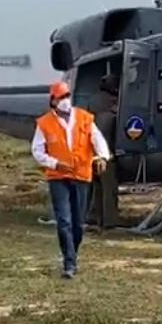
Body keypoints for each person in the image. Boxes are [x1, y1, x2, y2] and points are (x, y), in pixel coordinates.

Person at [31, 81, 111, 279]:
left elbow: (97, 139)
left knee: (77, 223)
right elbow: (37, 151)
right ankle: (69, 263)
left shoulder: (85, 118)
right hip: (58, 177)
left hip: (81, 175)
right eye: (60, 97)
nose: (65, 100)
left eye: (67, 96)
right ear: (53, 101)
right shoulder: (44, 123)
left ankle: (72, 254)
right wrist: (54, 163)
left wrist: (102, 157)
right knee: (64, 221)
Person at [87, 74, 120, 229]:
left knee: (97, 187)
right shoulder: (112, 106)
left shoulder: (92, 103)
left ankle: (94, 217)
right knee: (109, 188)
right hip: (107, 154)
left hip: (91, 152)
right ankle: (110, 222)